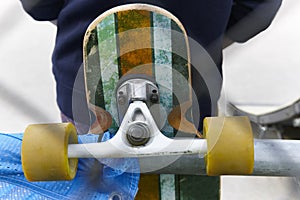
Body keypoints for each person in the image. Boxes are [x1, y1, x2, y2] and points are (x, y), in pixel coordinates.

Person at [7, 0, 281, 199]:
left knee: (87, 160)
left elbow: (37, 5)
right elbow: (259, 9)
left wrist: (98, 25)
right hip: (191, 83)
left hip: (84, 86)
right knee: (193, 162)